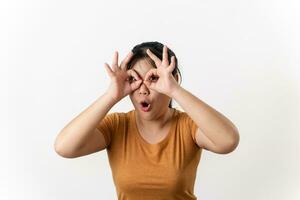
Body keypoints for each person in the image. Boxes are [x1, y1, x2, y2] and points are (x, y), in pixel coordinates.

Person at [54, 41, 240, 200]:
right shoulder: (117, 126)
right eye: (134, 80)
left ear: (172, 80)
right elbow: (64, 147)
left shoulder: (187, 126)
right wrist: (111, 95)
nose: (143, 90)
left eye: (153, 79)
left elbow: (228, 141)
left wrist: (175, 90)